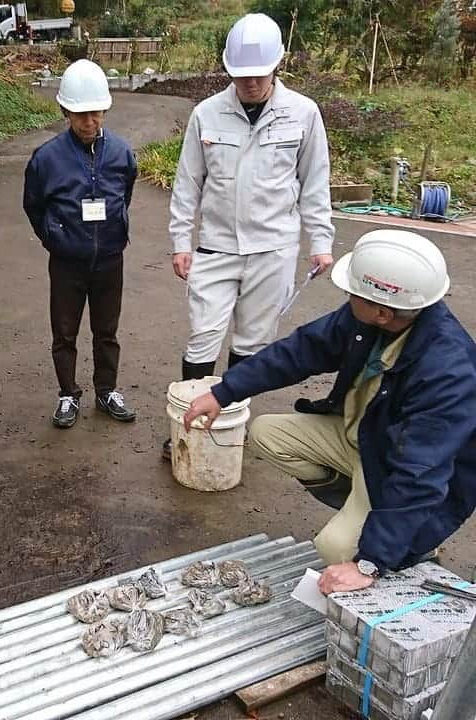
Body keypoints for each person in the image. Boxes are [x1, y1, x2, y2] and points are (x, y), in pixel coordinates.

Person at [183, 230, 476, 594]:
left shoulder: (448, 373)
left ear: (383, 312)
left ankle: (399, 541)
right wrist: (224, 392)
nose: (347, 296)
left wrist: (368, 561)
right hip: (367, 440)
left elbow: (420, 475)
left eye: (353, 292)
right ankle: (363, 510)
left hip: (399, 469)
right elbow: (300, 351)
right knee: (267, 433)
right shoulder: (369, 320)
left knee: (336, 549)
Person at [163, 13, 335, 460]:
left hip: (273, 250)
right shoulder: (207, 113)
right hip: (216, 248)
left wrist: (321, 241)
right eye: (241, 76)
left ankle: (232, 426)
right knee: (202, 337)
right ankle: (191, 422)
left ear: (277, 66)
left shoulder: (303, 114)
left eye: (258, 75)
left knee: (251, 344)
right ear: (229, 70)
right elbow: (187, 185)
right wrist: (181, 243)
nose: (250, 84)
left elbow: (315, 182)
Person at [23, 59, 137, 429]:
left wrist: (113, 230)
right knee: (65, 332)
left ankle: (107, 390)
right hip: (67, 261)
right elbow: (34, 205)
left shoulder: (121, 154)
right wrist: (54, 237)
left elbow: (126, 194)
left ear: (105, 109)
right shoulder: (46, 159)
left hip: (109, 258)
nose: (90, 122)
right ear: (65, 111)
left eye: (96, 114)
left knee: (107, 331)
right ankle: (68, 394)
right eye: (80, 115)